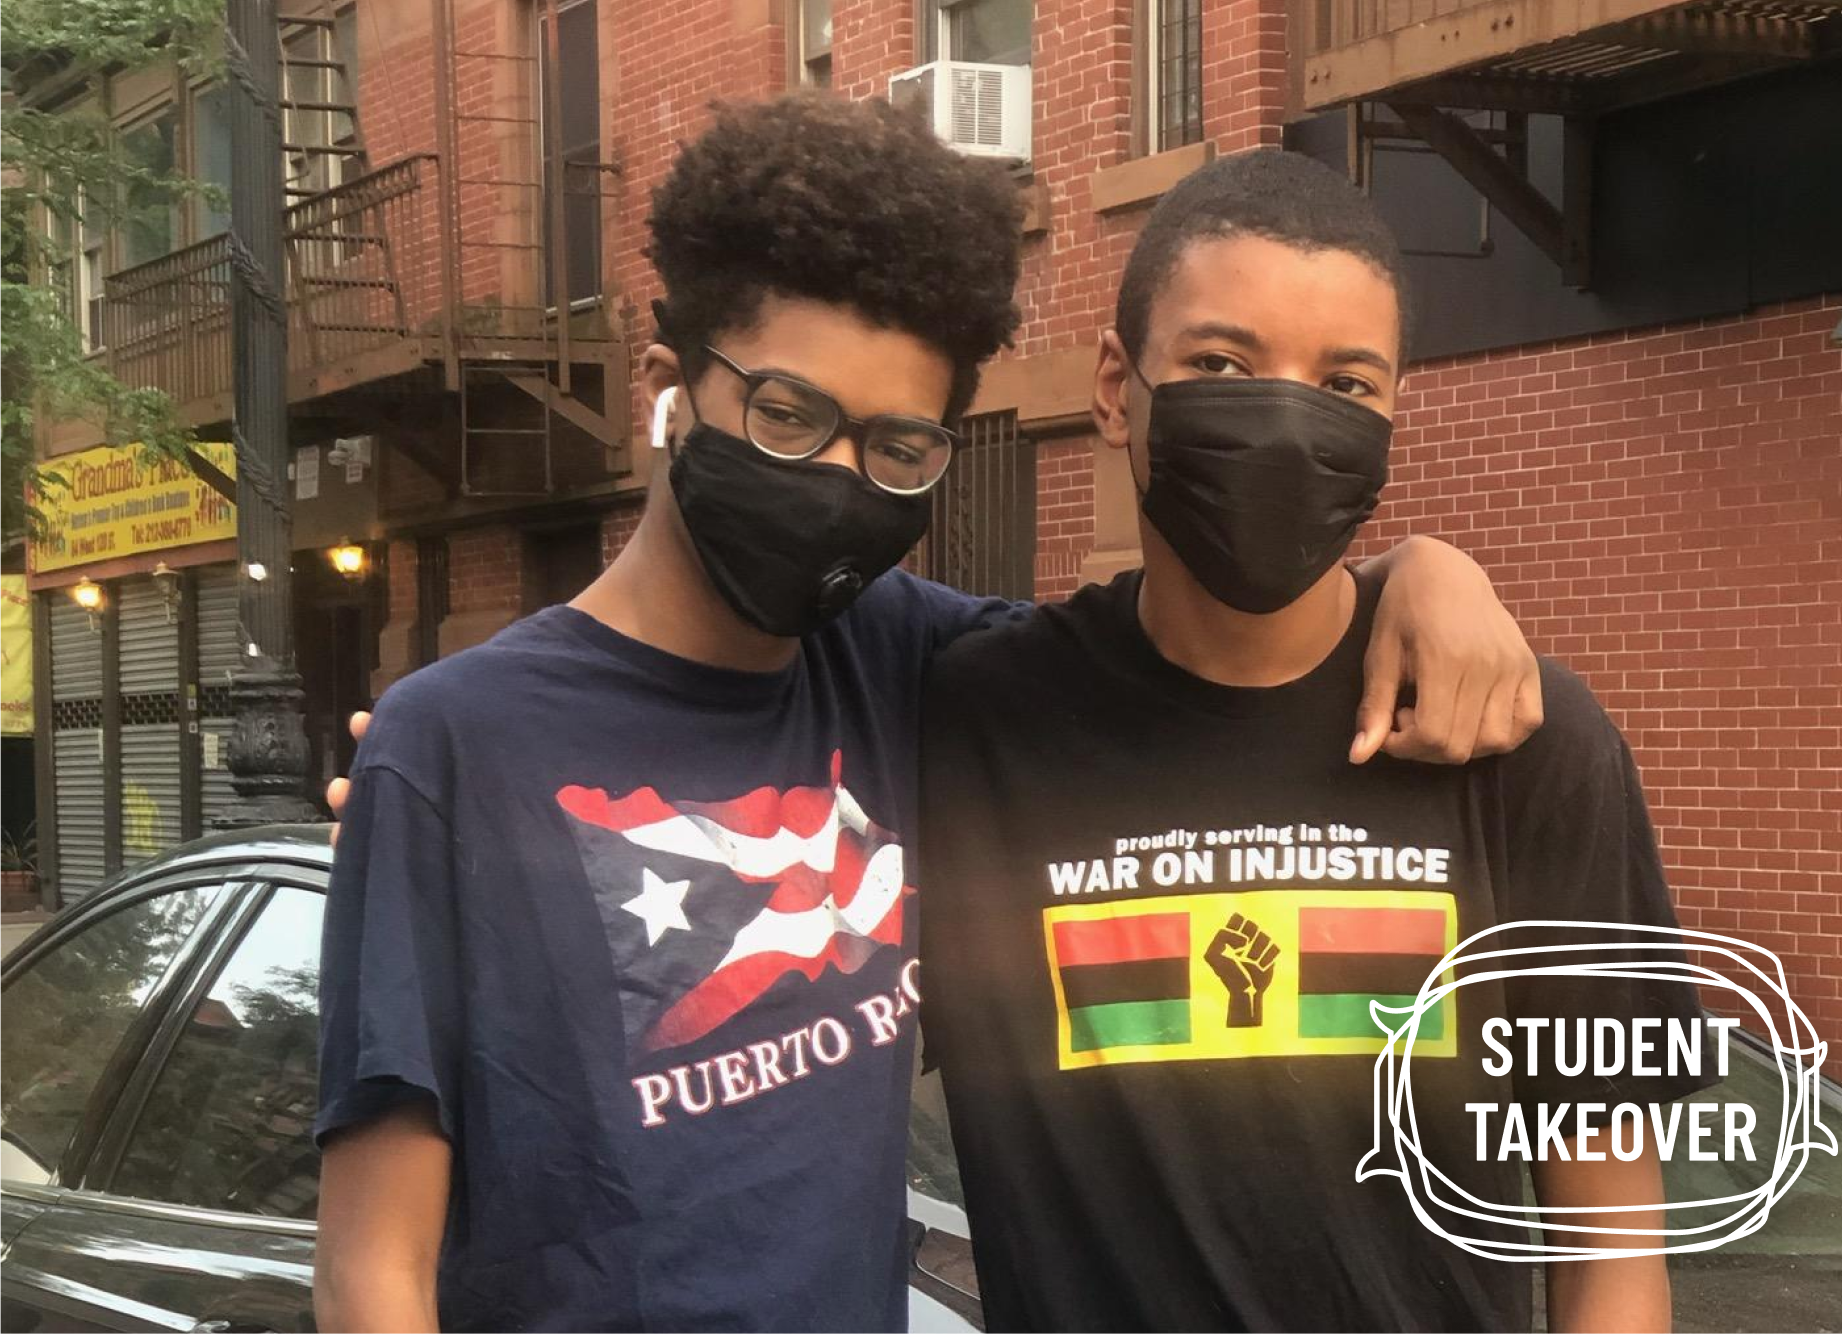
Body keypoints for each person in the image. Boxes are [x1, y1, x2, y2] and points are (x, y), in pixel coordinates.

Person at [313, 96, 1542, 1334]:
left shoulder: (908, 664)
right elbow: (374, 1267)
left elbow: (1183, 647)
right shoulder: (455, 740)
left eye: (898, 447)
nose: (836, 479)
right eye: (787, 414)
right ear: (670, 389)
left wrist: (1420, 569)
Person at [916, 150, 1716, 1334]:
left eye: (1345, 382)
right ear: (1114, 386)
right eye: (1220, 364)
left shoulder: (1520, 742)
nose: (1286, 421)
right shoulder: (973, 724)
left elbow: (1610, 1250)